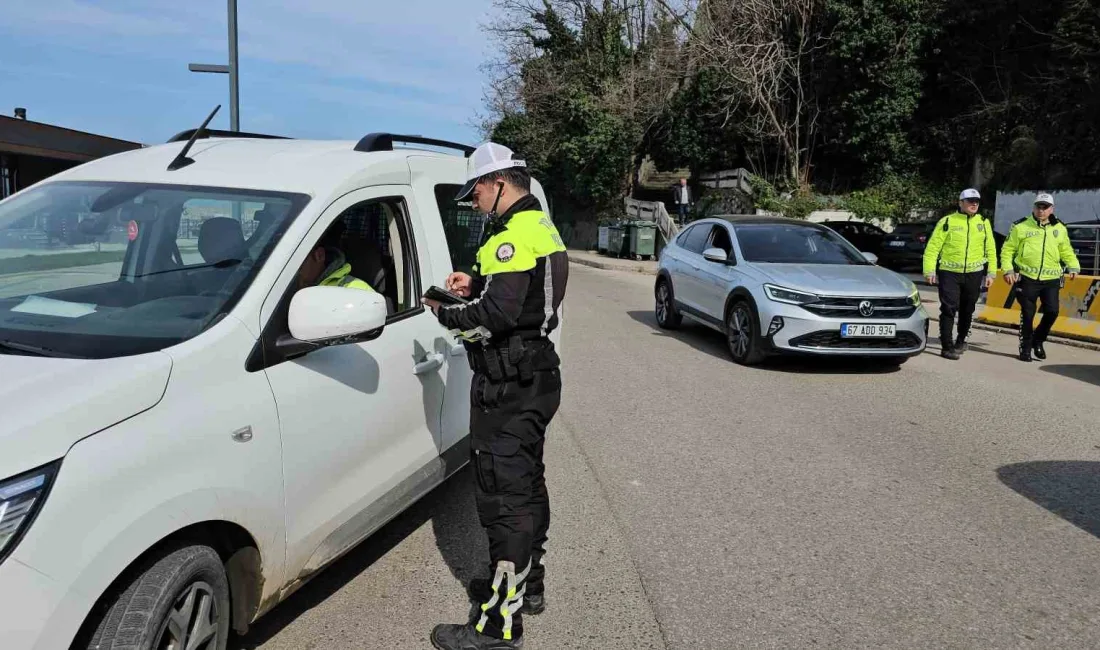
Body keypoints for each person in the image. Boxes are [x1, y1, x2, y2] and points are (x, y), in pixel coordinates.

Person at [424, 142, 567, 650]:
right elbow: (521, 295)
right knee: (527, 486)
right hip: (536, 378)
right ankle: (528, 586)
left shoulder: (510, 237)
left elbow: (499, 318)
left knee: (504, 500)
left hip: (507, 386)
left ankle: (498, 626)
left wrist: (447, 314)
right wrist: (477, 282)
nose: (475, 201)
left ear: (500, 183)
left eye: (477, 191)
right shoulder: (540, 227)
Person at [1000, 192, 1080, 362]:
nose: (1041, 210)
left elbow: (1066, 250)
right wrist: (1008, 270)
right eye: (1038, 206)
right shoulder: (1020, 226)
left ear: (1052, 209)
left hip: (1051, 279)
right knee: (1028, 313)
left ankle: (1038, 339)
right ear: (1034, 207)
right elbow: (1007, 250)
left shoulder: (1059, 228)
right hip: (1027, 277)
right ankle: (1026, 347)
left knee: (1052, 311)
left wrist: (1073, 265)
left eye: (1045, 207)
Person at [922, 188, 998, 360]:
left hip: (974, 273)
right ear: (960, 203)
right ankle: (946, 346)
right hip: (950, 273)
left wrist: (991, 273)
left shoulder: (984, 222)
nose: (974, 204)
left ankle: (961, 340)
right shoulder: (947, 221)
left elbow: (991, 249)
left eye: (976, 201)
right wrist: (929, 270)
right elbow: (933, 247)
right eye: (970, 201)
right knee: (949, 308)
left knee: (968, 309)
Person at [296, 224, 374, 291]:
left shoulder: (356, 290)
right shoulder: (292, 286)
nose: (294, 270)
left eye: (299, 260)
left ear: (320, 255)